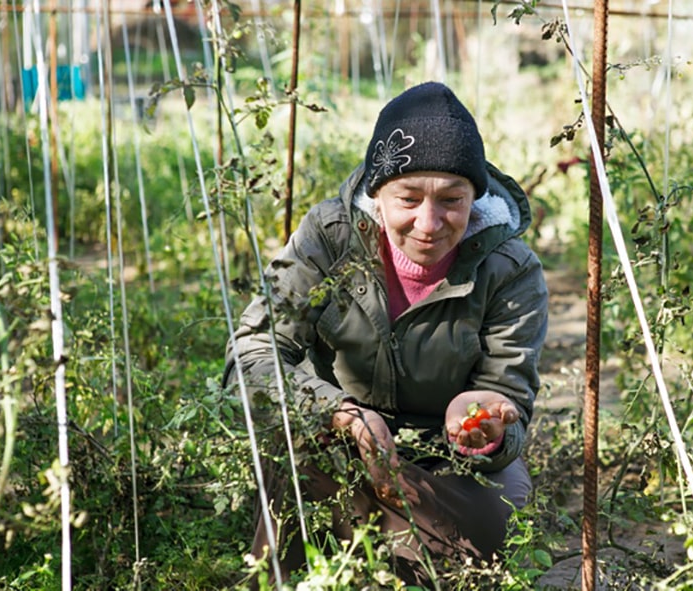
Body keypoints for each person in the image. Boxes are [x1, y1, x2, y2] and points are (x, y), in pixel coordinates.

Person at [223, 81, 548, 586]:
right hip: (339, 440)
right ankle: (368, 536)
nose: (429, 222)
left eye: (452, 200)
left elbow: (509, 393)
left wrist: (481, 423)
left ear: (475, 198)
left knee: (488, 524)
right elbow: (252, 353)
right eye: (408, 198)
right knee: (296, 472)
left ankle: (377, 534)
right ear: (377, 194)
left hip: (446, 460)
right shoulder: (329, 240)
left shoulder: (509, 269)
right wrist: (341, 414)